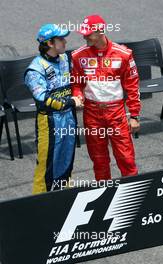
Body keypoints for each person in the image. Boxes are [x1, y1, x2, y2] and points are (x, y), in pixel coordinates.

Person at [71, 15, 141, 181]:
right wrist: (77, 95)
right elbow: (76, 84)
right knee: (99, 161)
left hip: (116, 114)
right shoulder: (77, 56)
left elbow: (132, 86)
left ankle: (132, 196)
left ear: (100, 31)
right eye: (84, 33)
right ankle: (104, 198)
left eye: (89, 33)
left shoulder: (124, 54)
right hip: (92, 114)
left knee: (127, 159)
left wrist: (135, 115)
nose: (84, 36)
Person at [25, 23, 82, 194]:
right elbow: (43, 98)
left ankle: (63, 199)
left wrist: (78, 96)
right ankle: (39, 205)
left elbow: (76, 81)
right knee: (47, 166)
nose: (65, 42)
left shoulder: (65, 59)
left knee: (66, 161)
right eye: (61, 39)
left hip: (69, 119)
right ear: (50, 43)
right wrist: (71, 102)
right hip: (49, 121)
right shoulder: (35, 69)